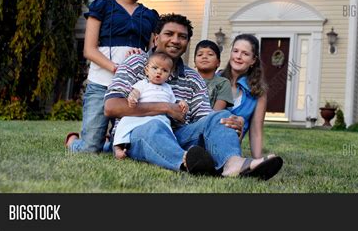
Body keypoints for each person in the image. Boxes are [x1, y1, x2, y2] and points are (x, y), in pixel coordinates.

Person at [104, 13, 283, 180]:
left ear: (187, 42)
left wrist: (229, 124)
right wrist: (165, 107)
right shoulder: (136, 63)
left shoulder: (193, 77)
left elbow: (205, 117)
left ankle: (233, 163)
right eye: (169, 34)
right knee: (153, 127)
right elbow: (111, 107)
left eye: (182, 37)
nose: (175, 40)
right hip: (135, 133)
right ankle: (185, 160)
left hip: (178, 134)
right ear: (156, 37)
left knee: (221, 116)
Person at [65, 0, 159, 153]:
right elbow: (89, 50)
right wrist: (118, 68)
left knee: (127, 148)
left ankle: (110, 139)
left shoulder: (149, 15)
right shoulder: (102, 6)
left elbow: (153, 55)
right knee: (90, 149)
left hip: (133, 89)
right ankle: (73, 141)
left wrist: (140, 61)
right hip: (101, 83)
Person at [113, 51, 188, 159]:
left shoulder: (168, 88)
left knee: (165, 131)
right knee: (124, 124)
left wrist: (182, 103)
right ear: (147, 70)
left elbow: (174, 103)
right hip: (140, 116)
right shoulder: (143, 84)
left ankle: (173, 150)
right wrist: (133, 97)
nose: (159, 72)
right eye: (155, 68)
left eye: (164, 70)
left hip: (160, 118)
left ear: (169, 75)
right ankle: (118, 148)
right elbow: (136, 92)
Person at [221, 34, 270, 159]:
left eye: (245, 54)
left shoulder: (258, 92)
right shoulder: (216, 79)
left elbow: (256, 132)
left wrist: (258, 161)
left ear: (253, 60)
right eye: (235, 51)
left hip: (230, 146)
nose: (238, 56)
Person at [194, 40, 233, 111]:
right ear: (195, 62)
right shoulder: (188, 80)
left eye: (210, 54)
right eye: (200, 54)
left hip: (210, 119)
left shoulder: (223, 83)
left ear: (218, 62)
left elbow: (216, 112)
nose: (204, 57)